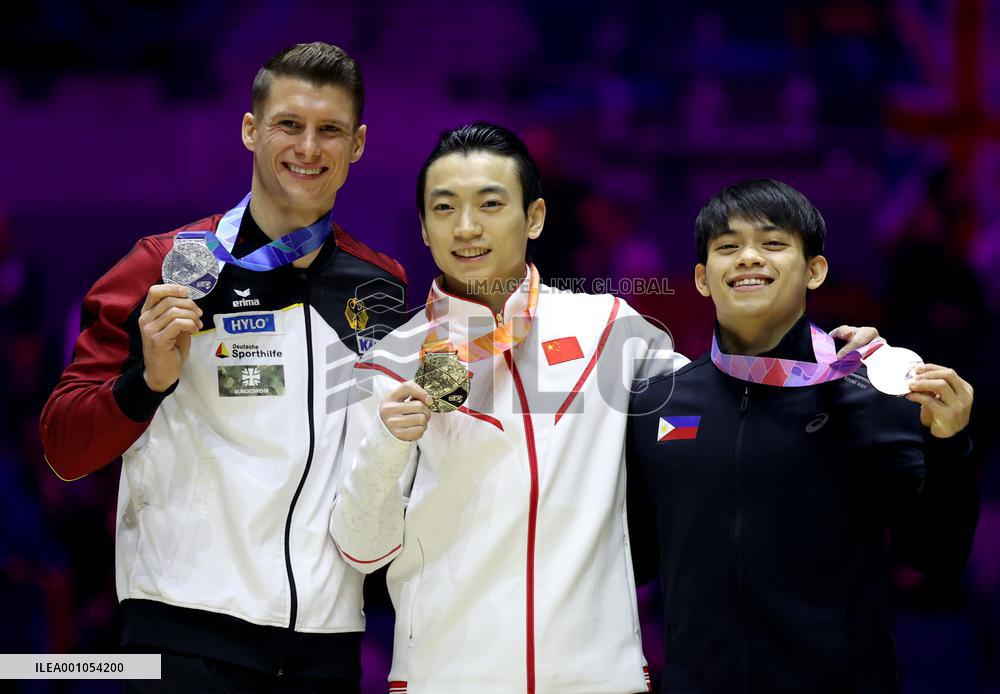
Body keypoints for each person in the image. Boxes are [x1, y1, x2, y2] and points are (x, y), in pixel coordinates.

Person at [329, 126, 876, 693]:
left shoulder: (607, 328)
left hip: (598, 679)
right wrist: (387, 444)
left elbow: (728, 390)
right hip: (445, 679)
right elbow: (361, 549)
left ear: (535, 217)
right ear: (423, 226)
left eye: (490, 204)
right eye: (444, 208)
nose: (466, 227)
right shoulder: (390, 362)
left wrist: (828, 355)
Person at [40, 42, 408, 693]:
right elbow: (64, 448)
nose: (309, 148)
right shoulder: (163, 267)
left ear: (357, 145)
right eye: (288, 125)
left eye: (330, 131)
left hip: (326, 649)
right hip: (185, 638)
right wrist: (147, 383)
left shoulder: (378, 284)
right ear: (250, 130)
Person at [626, 178, 979, 694]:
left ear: (815, 270)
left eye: (772, 243)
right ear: (703, 279)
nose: (748, 258)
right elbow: (632, 563)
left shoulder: (870, 398)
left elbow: (936, 557)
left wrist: (950, 445)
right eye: (728, 247)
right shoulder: (657, 404)